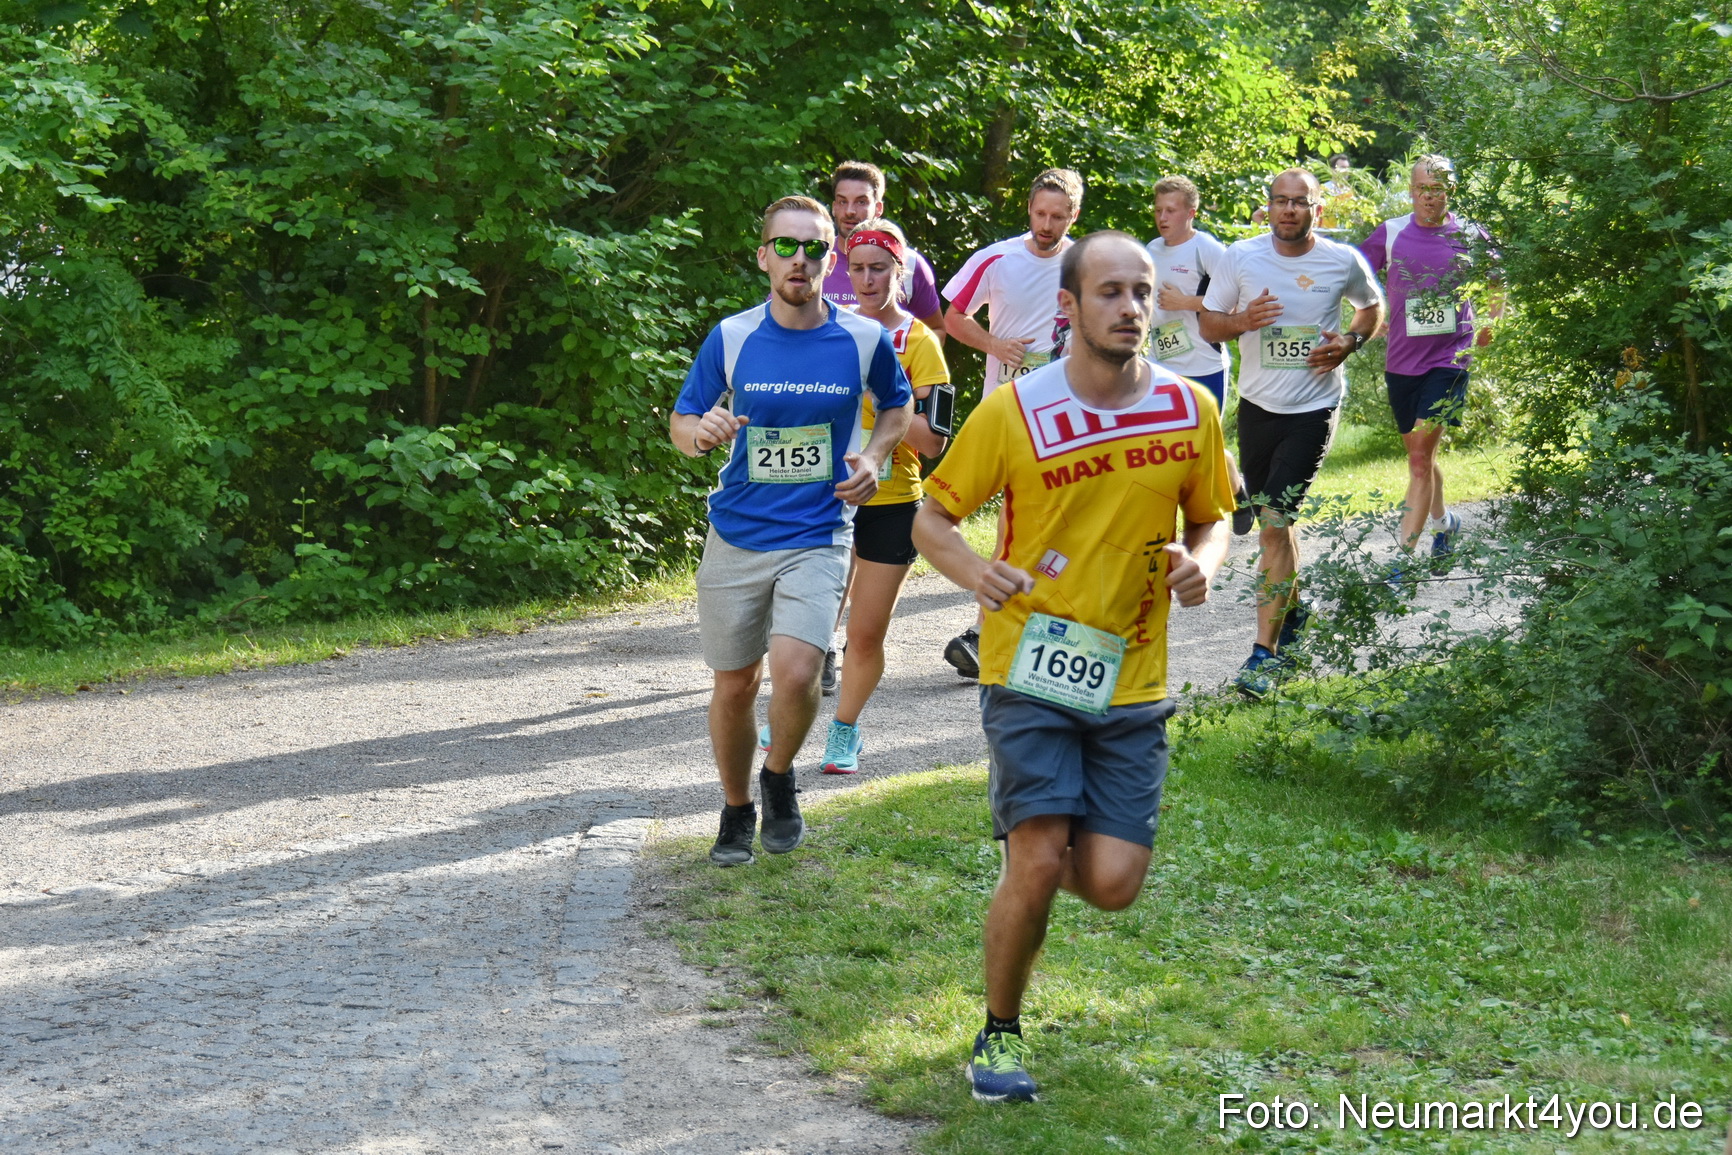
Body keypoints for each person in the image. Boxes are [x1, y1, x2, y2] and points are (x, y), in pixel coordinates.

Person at [912, 231, 1234, 1103]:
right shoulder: (1014, 411)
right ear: (1070, 307)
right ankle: (1000, 1031)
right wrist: (976, 572)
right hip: (1031, 670)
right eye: (1110, 292)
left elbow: (1215, 514)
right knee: (1039, 856)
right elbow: (932, 519)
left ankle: (1047, 854)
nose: (1131, 307)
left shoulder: (1187, 409)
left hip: (1133, 679)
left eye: (1143, 291)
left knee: (1113, 883)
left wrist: (1205, 557)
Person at [671, 195, 911, 867]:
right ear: (763, 257)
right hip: (739, 531)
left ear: (829, 260)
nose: (798, 258)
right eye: (785, 246)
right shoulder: (733, 336)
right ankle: (736, 807)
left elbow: (898, 404)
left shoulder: (863, 339)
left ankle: (778, 776)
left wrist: (874, 456)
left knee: (800, 669)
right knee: (735, 684)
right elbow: (683, 421)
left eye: (812, 248)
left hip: (819, 529)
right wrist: (702, 431)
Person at [1199, 168, 1385, 699]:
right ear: (1268, 208)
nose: (1289, 210)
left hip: (1315, 407)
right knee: (1274, 524)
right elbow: (1209, 324)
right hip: (1259, 408)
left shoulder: (1341, 260)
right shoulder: (1241, 257)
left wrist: (1350, 342)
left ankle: (1264, 657)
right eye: (1279, 201)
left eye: (1299, 203)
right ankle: (1296, 614)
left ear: (1316, 211)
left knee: (1274, 525)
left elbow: (1371, 309)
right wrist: (1242, 321)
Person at [814, 219, 952, 774]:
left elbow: (935, 443)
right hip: (823, 496)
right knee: (808, 621)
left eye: (879, 269)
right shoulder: (826, 329)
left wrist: (886, 393)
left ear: (901, 274)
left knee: (864, 632)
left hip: (892, 502)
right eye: (858, 268)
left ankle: (844, 730)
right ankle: (792, 707)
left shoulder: (919, 343)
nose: (867, 280)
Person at [937, 168, 1085, 679]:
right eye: (1040, 214)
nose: (1047, 225)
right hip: (1008, 408)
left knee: (1056, 515)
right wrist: (994, 344)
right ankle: (995, 627)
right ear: (1029, 209)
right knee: (1018, 516)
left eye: (1058, 217)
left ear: (1074, 216)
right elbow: (952, 316)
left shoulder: (1084, 262)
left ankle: (1014, 627)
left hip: (1069, 410)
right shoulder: (997, 258)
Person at [1358, 154, 1499, 572]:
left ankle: (1401, 562)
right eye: (1422, 188)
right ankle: (1444, 523)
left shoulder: (1471, 232)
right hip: (1402, 361)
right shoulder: (1391, 233)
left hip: (1450, 358)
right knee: (1420, 456)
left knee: (1420, 459)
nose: (1429, 197)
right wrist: (1372, 316)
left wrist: (1492, 321)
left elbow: (1497, 280)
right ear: (1411, 191)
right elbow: (1354, 276)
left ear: (1450, 191)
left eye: (1438, 189)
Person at [1144, 174, 1252, 534]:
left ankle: (1237, 490)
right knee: (1165, 446)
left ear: (1191, 212)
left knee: (1203, 444)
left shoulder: (1206, 249)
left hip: (1204, 363)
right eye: (1158, 210)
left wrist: (1185, 302)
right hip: (1160, 363)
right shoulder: (1150, 251)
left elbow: (1236, 299)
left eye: (1171, 210)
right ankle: (1167, 524)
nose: (1162, 217)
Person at [825, 161, 947, 343]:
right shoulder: (815, 259)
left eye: (861, 202)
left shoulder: (909, 263)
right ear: (834, 207)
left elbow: (936, 331)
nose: (850, 211)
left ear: (878, 208)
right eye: (843, 201)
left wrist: (894, 359)